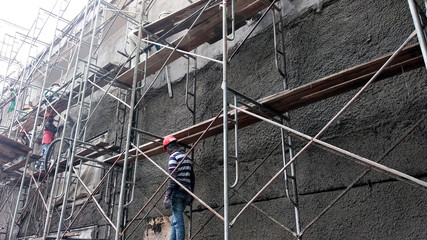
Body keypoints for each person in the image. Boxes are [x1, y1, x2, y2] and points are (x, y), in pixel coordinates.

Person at [163, 135, 195, 240]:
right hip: (186, 192)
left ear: (168, 148)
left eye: (166, 149)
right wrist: (192, 195)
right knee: (174, 222)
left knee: (178, 220)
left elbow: (173, 179)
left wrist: (167, 196)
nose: (167, 152)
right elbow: (192, 177)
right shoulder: (187, 157)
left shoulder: (173, 157)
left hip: (177, 193)